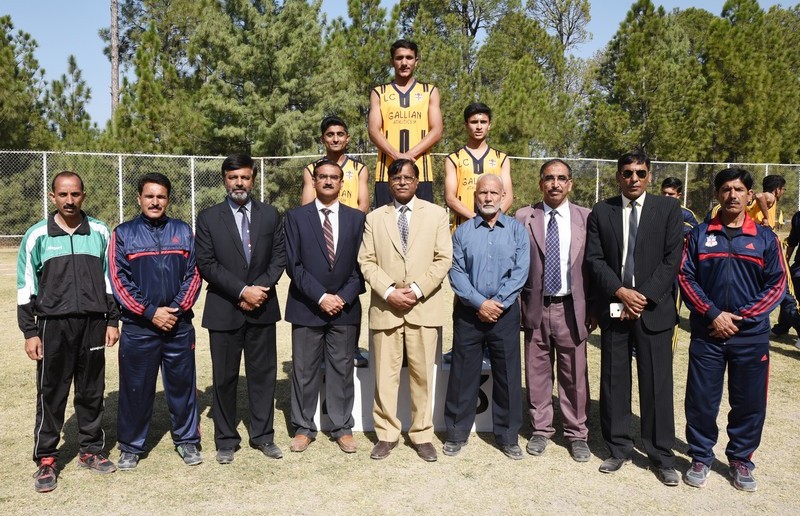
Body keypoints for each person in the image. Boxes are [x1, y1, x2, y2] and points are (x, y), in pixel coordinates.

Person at [678, 168, 785, 491]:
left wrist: (739, 318)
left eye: (739, 189)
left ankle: (741, 460)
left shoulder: (765, 238)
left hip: (750, 336)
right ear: (717, 195)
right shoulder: (699, 235)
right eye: (725, 189)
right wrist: (713, 314)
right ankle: (700, 456)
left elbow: (777, 284)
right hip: (708, 334)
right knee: (701, 400)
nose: (732, 195)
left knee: (749, 402)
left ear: (750, 195)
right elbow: (685, 276)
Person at [17, 171, 120, 492]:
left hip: (93, 323)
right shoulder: (37, 235)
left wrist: (112, 321)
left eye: (75, 194)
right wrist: (29, 331)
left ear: (83, 196)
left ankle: (90, 450)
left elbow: (111, 280)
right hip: (52, 325)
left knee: (91, 390)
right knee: (51, 391)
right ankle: (46, 458)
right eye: (63, 194)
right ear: (53, 197)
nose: (69, 200)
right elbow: (25, 286)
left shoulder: (100, 231)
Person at [585, 151, 683, 486]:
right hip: (615, 307)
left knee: (657, 384)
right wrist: (620, 291)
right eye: (627, 173)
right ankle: (618, 448)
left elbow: (672, 259)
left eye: (640, 172)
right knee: (614, 382)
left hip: (653, 309)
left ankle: (661, 455)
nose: (634, 178)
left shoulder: (668, 209)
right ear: (618, 176)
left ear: (649, 176)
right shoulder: (602, 211)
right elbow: (595, 259)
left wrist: (642, 296)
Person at [358, 158, 452, 462]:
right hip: (386, 309)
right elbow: (366, 261)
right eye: (396, 178)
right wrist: (388, 292)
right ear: (388, 182)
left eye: (408, 178)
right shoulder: (374, 218)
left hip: (423, 307)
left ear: (417, 181)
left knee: (423, 376)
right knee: (385, 377)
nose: (402, 182)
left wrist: (416, 290)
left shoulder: (436, 214)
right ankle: (386, 434)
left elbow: (443, 258)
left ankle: (422, 435)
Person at [195, 153, 286, 464]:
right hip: (225, 309)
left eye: (244, 177)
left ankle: (263, 436)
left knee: (263, 376)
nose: (239, 183)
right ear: (224, 179)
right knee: (224, 378)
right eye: (233, 177)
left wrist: (259, 289)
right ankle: (226, 440)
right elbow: (206, 263)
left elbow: (279, 257)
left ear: (253, 179)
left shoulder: (270, 215)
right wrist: (242, 291)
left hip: (263, 308)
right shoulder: (208, 217)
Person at [109, 173, 203, 470]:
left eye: (161, 196)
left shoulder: (183, 231)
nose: (155, 201)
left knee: (182, 387)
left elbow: (195, 274)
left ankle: (187, 440)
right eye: (149, 196)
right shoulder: (123, 233)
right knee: (135, 389)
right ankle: (131, 446)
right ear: (139, 198)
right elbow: (118, 279)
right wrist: (150, 312)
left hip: (178, 325)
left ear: (168, 200)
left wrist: (175, 309)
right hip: (139, 327)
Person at [443, 174, 529, 460]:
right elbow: (456, 272)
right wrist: (480, 303)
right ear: (475, 196)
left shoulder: (517, 231)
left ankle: (507, 436)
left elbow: (521, 271)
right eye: (483, 193)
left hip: (505, 314)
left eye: (494, 193)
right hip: (469, 313)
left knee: (507, 375)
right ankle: (456, 433)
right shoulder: (462, 232)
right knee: (462, 374)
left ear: (503, 196)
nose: (488, 198)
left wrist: (498, 303)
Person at [285, 160, 366, 453]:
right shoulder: (295, 217)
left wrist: (341, 298)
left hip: (345, 308)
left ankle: (342, 427)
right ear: (314, 181)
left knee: (342, 369)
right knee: (304, 370)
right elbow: (293, 264)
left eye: (334, 177)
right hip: (307, 306)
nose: (328, 181)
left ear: (342, 183)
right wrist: (321, 297)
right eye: (322, 177)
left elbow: (363, 265)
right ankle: (303, 427)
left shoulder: (357, 219)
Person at [515, 159, 593, 462]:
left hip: (571, 307)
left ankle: (577, 433)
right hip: (536, 305)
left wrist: (594, 308)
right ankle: (541, 429)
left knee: (574, 374)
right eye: (549, 178)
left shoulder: (586, 218)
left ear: (570, 183)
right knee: (537, 372)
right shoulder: (524, 217)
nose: (555, 184)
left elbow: (594, 266)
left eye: (561, 178)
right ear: (541, 183)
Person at [301, 115, 370, 367]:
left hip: (349, 235)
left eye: (340, 134)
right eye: (330, 135)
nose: (335, 139)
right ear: (323, 139)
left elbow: (363, 205)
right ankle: (319, 345)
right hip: (322, 235)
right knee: (318, 287)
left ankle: (352, 347)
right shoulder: (311, 169)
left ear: (347, 138)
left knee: (351, 288)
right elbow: (306, 206)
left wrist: (349, 230)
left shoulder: (359, 169)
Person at [368, 39, 443, 207]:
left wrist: (409, 156)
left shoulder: (429, 91)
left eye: (409, 57)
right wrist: (396, 155)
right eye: (399, 58)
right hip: (386, 173)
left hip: (421, 172)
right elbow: (373, 130)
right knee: (385, 221)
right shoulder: (379, 92)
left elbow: (437, 130)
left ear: (416, 61)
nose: (404, 63)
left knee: (421, 221)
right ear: (391, 61)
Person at [444, 102, 513, 230]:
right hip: (463, 227)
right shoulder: (453, 159)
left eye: (483, 122)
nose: (479, 127)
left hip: (493, 228)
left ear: (489, 125)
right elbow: (450, 198)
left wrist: (492, 219)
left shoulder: (501, 158)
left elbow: (508, 196)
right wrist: (477, 220)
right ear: (466, 125)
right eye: (474, 122)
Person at [783, 209, 800, 349]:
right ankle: (782, 327)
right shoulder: (798, 217)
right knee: (789, 299)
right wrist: (786, 262)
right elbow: (793, 240)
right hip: (798, 269)